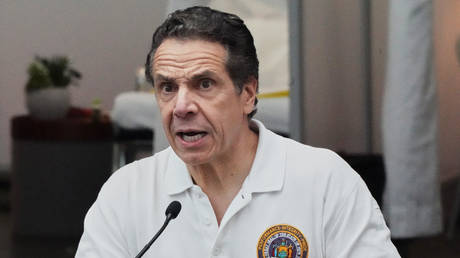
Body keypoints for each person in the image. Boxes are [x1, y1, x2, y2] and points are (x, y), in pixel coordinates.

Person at [76, 6, 400, 257]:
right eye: (167, 87)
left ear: (247, 94)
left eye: (204, 84)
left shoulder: (326, 181)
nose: (181, 106)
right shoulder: (126, 191)